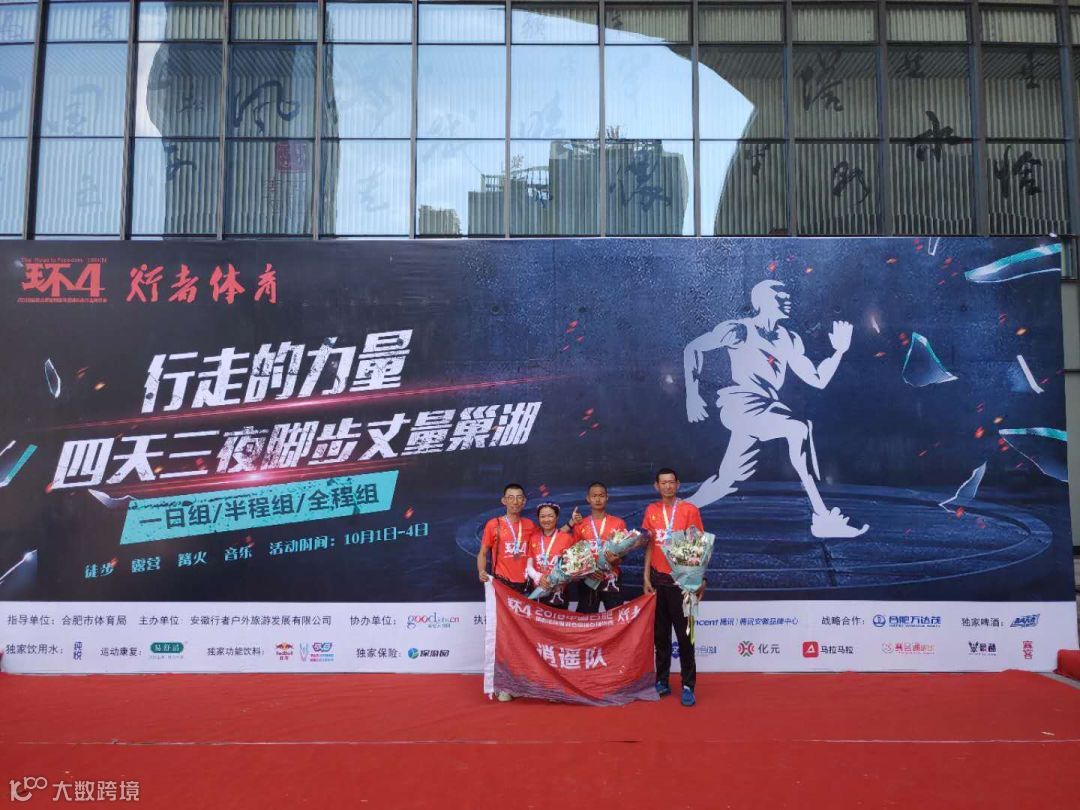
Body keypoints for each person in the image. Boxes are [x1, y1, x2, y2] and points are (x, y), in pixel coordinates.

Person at [683, 279, 867, 538]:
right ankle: (822, 518)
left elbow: (817, 379)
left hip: (766, 408)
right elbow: (693, 348)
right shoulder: (740, 330)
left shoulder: (789, 339)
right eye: (780, 296)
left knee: (727, 480)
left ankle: (678, 511)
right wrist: (692, 395)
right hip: (741, 403)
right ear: (761, 302)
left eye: (787, 295)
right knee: (798, 429)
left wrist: (838, 352)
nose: (787, 299)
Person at [643, 468, 704, 707]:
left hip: (683, 584)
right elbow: (650, 545)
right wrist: (645, 577)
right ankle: (662, 680)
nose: (667, 486)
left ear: (678, 484)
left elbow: (698, 548)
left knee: (686, 636)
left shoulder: (690, 510)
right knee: (660, 636)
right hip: (658, 582)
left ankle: (688, 685)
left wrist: (699, 580)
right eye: (663, 483)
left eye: (671, 482)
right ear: (656, 486)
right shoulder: (651, 510)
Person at [478, 483, 536, 703]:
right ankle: (503, 685)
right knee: (503, 637)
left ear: (524, 501)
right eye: (510, 497)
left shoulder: (530, 525)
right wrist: (481, 571)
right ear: (503, 501)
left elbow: (542, 545)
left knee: (522, 636)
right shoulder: (494, 525)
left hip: (526, 588)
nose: (515, 501)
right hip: (503, 587)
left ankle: (521, 681)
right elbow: (483, 552)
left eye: (519, 497)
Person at [572, 482, 628, 613]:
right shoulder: (580, 525)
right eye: (594, 496)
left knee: (615, 618)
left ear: (607, 498)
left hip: (612, 577)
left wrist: (616, 561)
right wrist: (587, 571)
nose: (598, 499)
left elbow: (624, 552)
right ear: (588, 498)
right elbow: (575, 555)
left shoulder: (618, 523)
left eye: (601, 496)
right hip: (588, 579)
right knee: (586, 619)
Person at [525, 503, 575, 607]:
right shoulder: (534, 538)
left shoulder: (567, 538)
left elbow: (573, 567)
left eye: (550, 516)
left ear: (557, 517)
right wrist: (538, 577)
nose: (546, 520)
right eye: (542, 516)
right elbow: (529, 565)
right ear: (538, 518)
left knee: (559, 617)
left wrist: (559, 580)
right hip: (538, 591)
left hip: (559, 592)